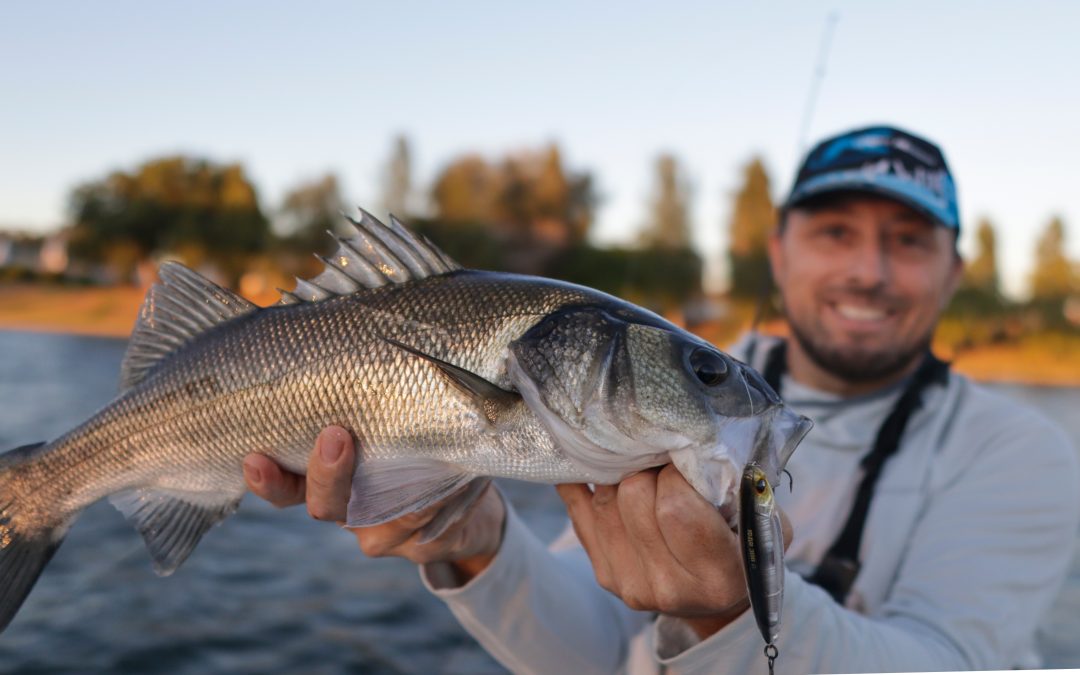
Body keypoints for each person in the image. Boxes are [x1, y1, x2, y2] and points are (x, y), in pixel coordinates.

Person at [242, 125, 1080, 673]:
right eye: (836, 232)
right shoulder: (647, 397)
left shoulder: (1020, 451)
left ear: (956, 272)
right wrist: (473, 539)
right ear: (777, 252)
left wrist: (730, 611)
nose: (870, 269)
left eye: (908, 240)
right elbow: (593, 648)